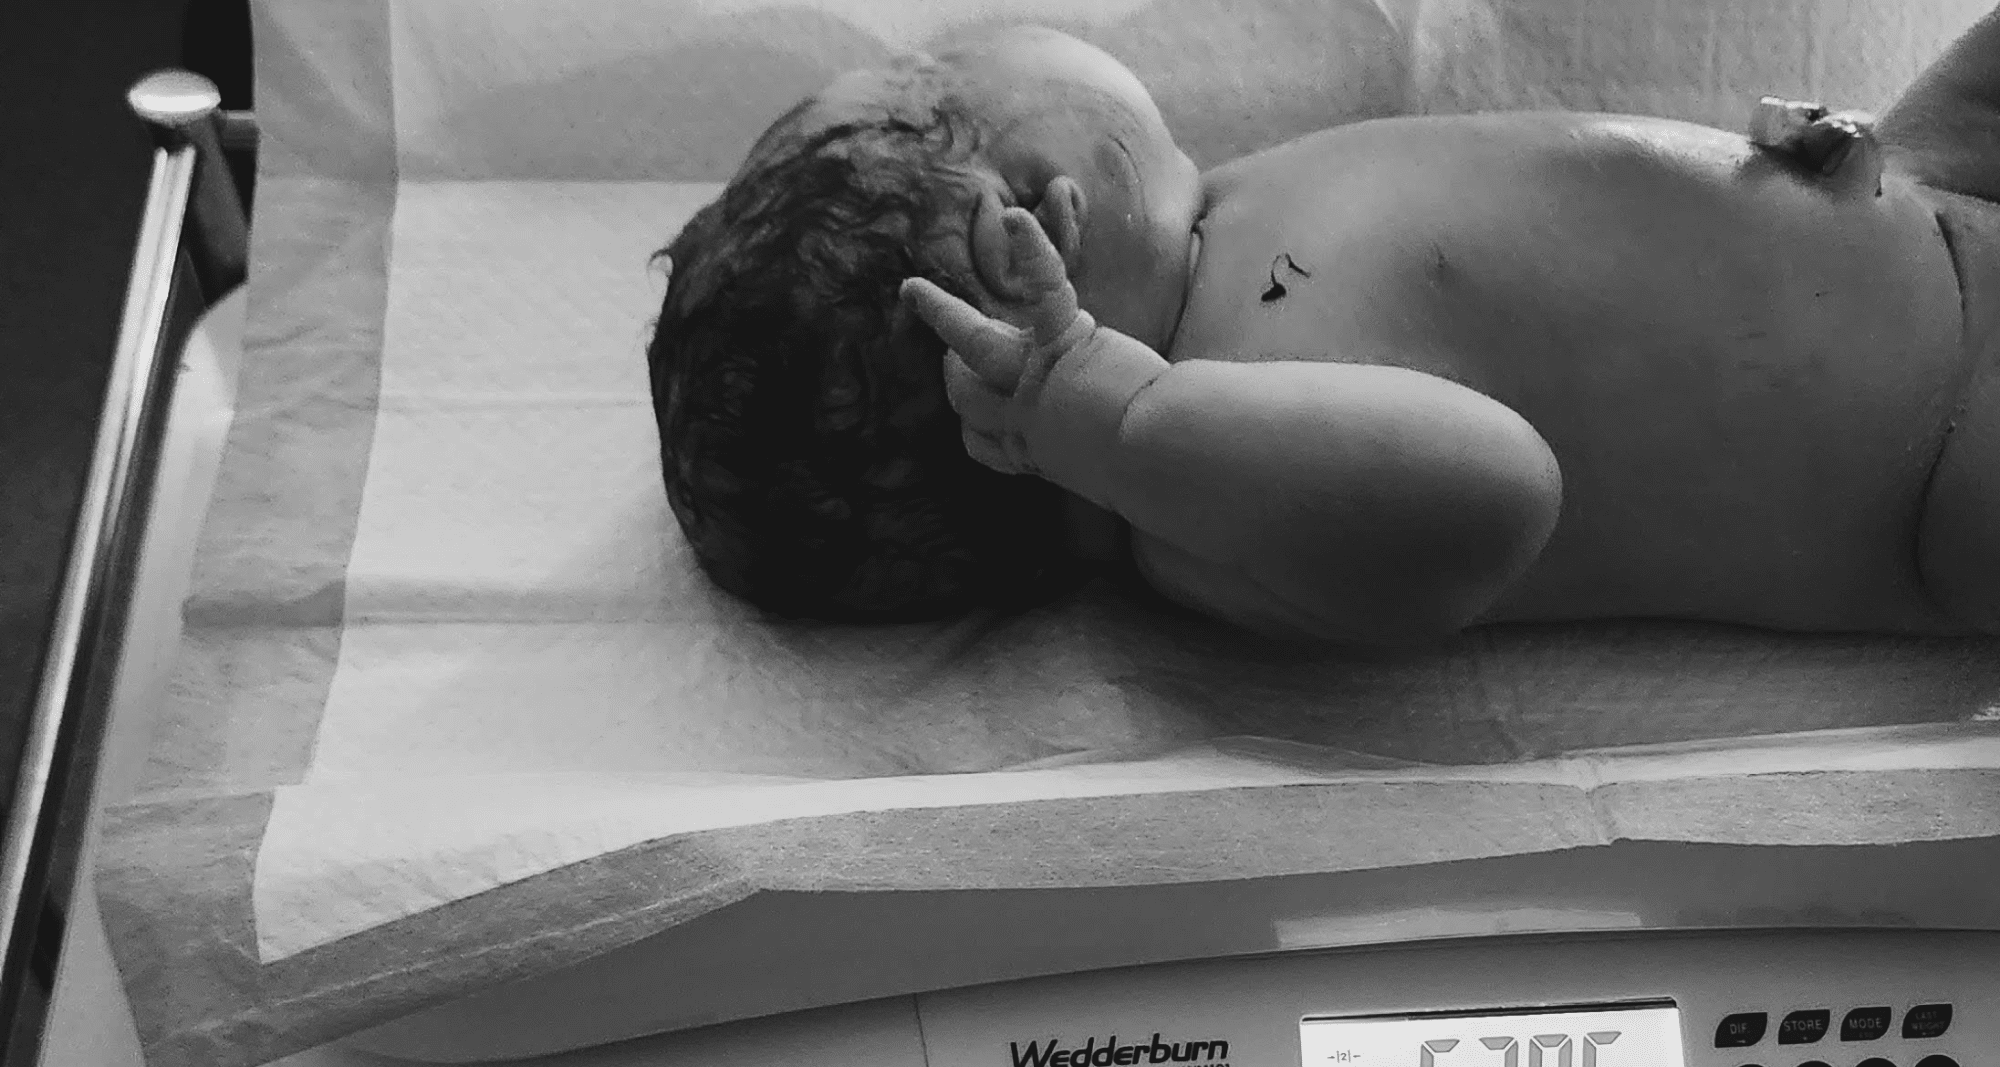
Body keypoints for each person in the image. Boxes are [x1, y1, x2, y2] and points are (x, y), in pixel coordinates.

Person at [651, 11, 2000, 646]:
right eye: (932, 76)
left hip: (1924, 193)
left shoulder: (1223, 220)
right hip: (1944, 455)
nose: (949, 37)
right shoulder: (1212, 489)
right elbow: (1494, 497)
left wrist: (1846, 186)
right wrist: (1120, 423)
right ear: (1037, 219)